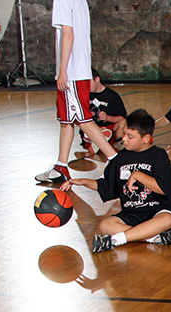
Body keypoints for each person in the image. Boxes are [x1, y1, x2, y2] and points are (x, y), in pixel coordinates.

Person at [59, 109, 171, 253]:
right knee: (105, 225)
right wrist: (82, 182)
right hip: (132, 213)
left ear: (146, 138)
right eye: (124, 133)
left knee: (168, 219)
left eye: (130, 136)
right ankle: (155, 237)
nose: (124, 139)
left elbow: (164, 188)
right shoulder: (121, 158)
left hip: (158, 210)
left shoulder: (158, 155)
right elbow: (107, 187)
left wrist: (138, 175)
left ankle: (115, 240)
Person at [35, 0, 118, 184]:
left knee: (83, 119)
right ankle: (61, 167)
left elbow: (68, 35)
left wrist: (63, 71)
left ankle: (116, 160)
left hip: (72, 72)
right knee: (66, 121)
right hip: (77, 70)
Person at [81, 69, 128, 154]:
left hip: (109, 129)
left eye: (89, 82)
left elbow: (122, 117)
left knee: (123, 122)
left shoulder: (112, 96)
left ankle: (118, 144)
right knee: (92, 128)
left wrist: (107, 118)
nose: (86, 86)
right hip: (93, 128)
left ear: (97, 79)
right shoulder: (84, 95)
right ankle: (96, 142)